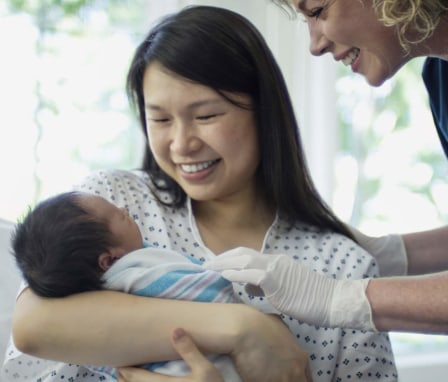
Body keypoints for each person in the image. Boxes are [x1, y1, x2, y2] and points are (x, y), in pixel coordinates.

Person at [3, 5, 397, 382]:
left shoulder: (342, 268)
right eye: (159, 119)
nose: (181, 144)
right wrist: (246, 328)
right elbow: (31, 340)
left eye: (206, 116)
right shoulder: (108, 203)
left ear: (263, 111)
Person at [207, 0, 448, 334]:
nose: (315, 45)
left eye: (318, 11)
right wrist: (389, 254)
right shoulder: (440, 76)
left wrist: (336, 299)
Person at [11, 190, 266, 381]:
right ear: (109, 259)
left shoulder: (84, 295)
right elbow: (210, 290)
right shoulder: (137, 272)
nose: (125, 208)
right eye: (119, 216)